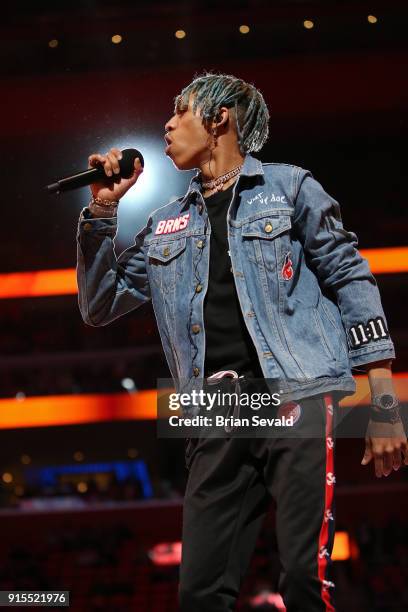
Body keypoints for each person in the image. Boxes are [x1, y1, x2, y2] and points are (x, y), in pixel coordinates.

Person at [76, 72, 407, 611]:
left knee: (303, 579)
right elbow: (99, 305)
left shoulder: (290, 187)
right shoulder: (167, 221)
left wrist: (386, 405)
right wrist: (102, 212)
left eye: (180, 111)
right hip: (212, 411)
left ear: (219, 118)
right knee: (199, 594)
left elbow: (352, 279)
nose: (167, 123)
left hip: (293, 393)